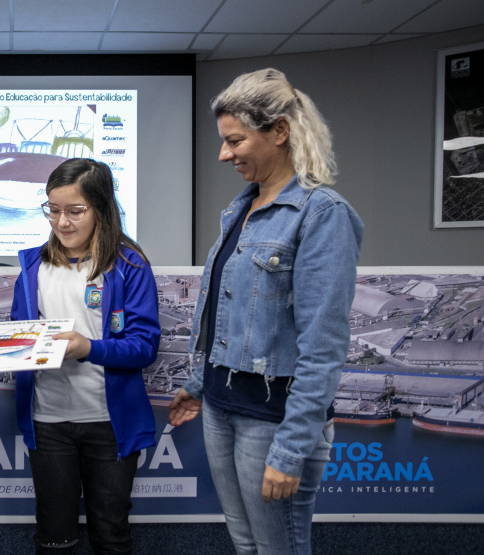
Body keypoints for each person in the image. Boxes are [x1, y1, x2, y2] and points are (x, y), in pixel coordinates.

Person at [168, 68, 363, 554]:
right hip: (220, 406)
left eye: (235, 140)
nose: (223, 154)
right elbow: (234, 315)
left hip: (273, 421)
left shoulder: (322, 214)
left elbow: (323, 345)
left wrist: (293, 447)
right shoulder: (241, 209)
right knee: (246, 545)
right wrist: (198, 385)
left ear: (279, 131)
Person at [11, 158, 161, 554]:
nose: (62, 222)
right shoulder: (32, 267)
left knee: (111, 533)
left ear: (101, 208)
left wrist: (88, 348)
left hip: (109, 423)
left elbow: (145, 346)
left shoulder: (130, 266)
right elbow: (20, 337)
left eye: (75, 211)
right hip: (48, 421)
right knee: (53, 536)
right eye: (53, 210)